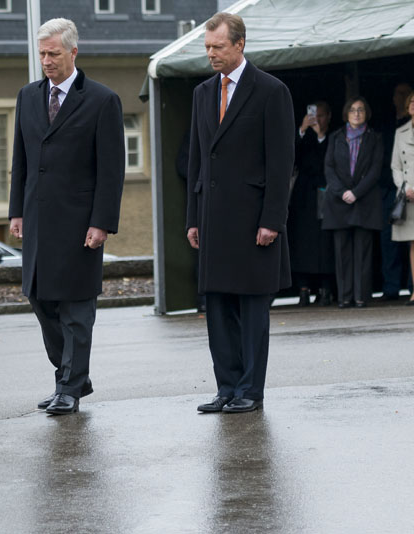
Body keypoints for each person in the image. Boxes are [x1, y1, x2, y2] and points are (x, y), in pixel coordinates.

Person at [8, 18, 125, 415]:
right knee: (41, 301)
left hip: (80, 225)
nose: (46, 61)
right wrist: (16, 212)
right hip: (38, 222)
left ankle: (70, 387)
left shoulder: (101, 100)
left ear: (73, 52)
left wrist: (102, 221)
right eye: (42, 54)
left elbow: (112, 170)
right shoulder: (27, 96)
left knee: (76, 310)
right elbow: (20, 160)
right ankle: (71, 375)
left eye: (53, 53)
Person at [186, 12, 294, 414]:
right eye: (207, 48)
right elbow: (197, 160)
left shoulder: (270, 91)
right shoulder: (201, 93)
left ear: (240, 44)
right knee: (217, 310)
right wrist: (192, 218)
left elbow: (281, 163)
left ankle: (250, 390)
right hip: (213, 220)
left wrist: (272, 220)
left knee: (251, 312)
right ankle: (227, 387)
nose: (211, 54)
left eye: (218, 47)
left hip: (253, 222)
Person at [321, 97, 383, 308]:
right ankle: (345, 296)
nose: (357, 114)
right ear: (346, 113)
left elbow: (376, 170)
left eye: (361, 110)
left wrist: (356, 192)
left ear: (367, 114)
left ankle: (361, 296)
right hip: (339, 202)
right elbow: (329, 168)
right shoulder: (336, 137)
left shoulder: (375, 138)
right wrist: (342, 192)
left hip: (364, 200)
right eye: (353, 110)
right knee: (342, 252)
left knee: (363, 252)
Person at [288, 101, 335, 306]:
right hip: (303, 194)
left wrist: (320, 136)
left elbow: (327, 161)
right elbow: (289, 157)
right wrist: (302, 129)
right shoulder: (302, 136)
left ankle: (325, 289)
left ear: (329, 116)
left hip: (325, 191)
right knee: (301, 241)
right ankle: (303, 288)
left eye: (322, 116)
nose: (318, 119)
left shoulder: (333, 138)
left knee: (324, 242)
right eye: (314, 115)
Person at [378, 82, 414, 301]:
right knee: (391, 242)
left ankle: (411, 286)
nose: (400, 98)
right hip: (397, 191)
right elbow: (393, 164)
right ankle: (392, 287)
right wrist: (404, 186)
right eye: (398, 94)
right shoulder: (390, 126)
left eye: (405, 94)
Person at [390, 90, 414, 305]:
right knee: (412, 245)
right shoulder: (400, 132)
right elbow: (395, 166)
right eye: (412, 102)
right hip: (408, 197)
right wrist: (405, 187)